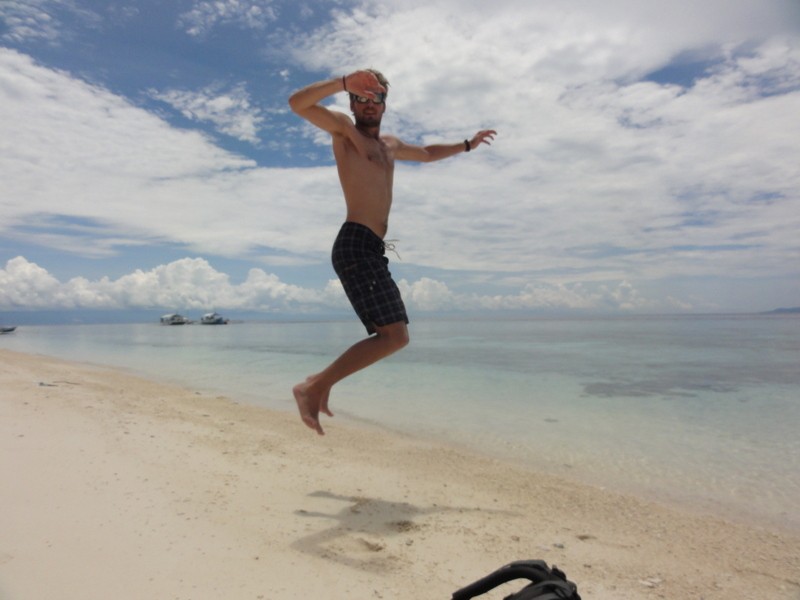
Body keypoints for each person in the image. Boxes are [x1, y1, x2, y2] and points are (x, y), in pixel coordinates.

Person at [288, 69, 496, 435]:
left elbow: (429, 154)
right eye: (361, 97)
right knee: (394, 336)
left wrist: (467, 145)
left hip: (372, 248)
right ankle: (312, 387)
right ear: (352, 102)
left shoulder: (391, 145)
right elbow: (297, 104)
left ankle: (318, 384)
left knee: (394, 336)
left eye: (376, 97)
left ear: (385, 102)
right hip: (354, 242)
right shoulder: (344, 131)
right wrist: (341, 83)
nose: (369, 104)